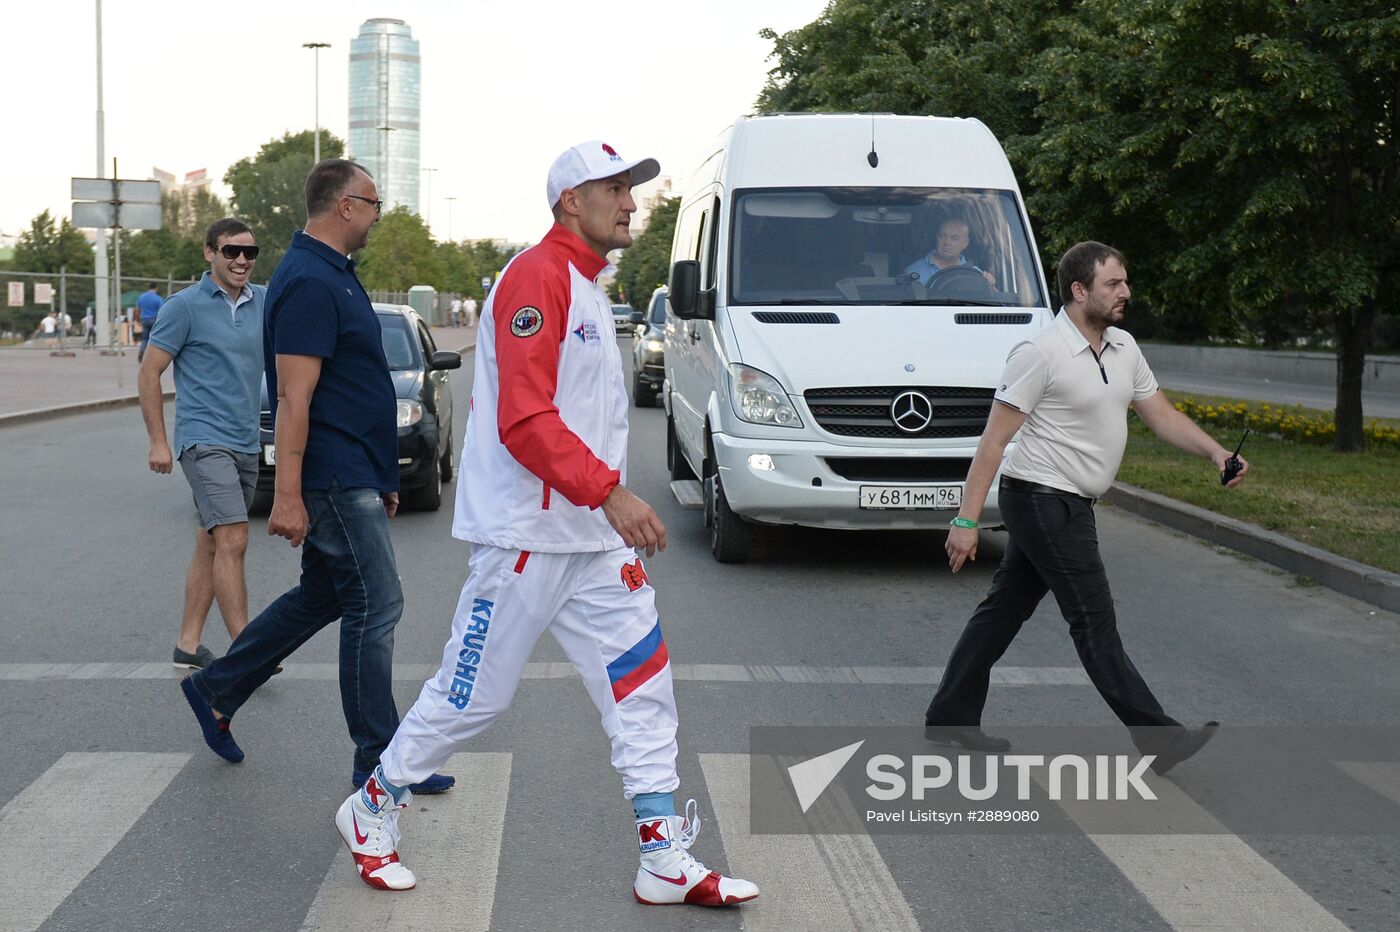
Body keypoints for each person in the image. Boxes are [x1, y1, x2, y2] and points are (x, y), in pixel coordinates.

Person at [332, 141, 760, 907]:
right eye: (616, 189)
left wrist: (603, 507)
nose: (631, 202)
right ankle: (371, 807)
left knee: (642, 688)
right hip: (528, 540)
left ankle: (663, 856)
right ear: (571, 201)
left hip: (593, 547)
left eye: (632, 189)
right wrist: (613, 494)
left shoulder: (590, 288)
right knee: (474, 698)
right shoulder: (538, 278)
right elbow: (525, 421)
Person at [179, 160, 454, 796]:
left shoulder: (335, 276)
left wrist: (385, 472)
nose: (379, 215)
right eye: (375, 203)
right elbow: (296, 401)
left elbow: (352, 389)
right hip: (332, 475)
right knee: (377, 604)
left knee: (324, 598)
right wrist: (291, 495)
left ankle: (215, 687)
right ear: (345, 206)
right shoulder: (307, 281)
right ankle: (380, 764)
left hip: (354, 469)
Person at [923, 241, 1249, 775]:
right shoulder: (1040, 352)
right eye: (1113, 284)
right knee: (1094, 620)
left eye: (1124, 282)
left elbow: (1161, 416)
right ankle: (1158, 738)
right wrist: (965, 520)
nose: (1126, 292)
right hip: (1042, 500)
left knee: (1003, 611)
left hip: (1070, 502)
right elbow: (993, 442)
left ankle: (950, 715)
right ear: (1079, 291)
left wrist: (1216, 453)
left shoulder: (1123, 347)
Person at [140, 219, 266, 670]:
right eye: (231, 251)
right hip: (203, 440)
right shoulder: (185, 307)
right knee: (233, 536)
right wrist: (159, 442)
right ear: (209, 253)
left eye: (250, 253)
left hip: (246, 442)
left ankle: (188, 645)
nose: (241, 261)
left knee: (210, 543)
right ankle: (249, 651)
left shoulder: (264, 303)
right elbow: (149, 372)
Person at [904, 216, 996, 288]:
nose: (947, 242)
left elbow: (997, 303)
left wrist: (990, 285)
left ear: (965, 243)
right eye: (942, 236)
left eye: (954, 238)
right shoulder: (915, 271)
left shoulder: (975, 274)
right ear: (936, 238)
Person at [136, 283, 164, 362]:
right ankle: (153, 357)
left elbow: (138, 309)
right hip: (154, 320)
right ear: (156, 288)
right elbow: (162, 311)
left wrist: (139, 319)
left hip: (144, 319)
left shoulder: (141, 297)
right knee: (155, 338)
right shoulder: (158, 298)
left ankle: (141, 351)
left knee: (144, 338)